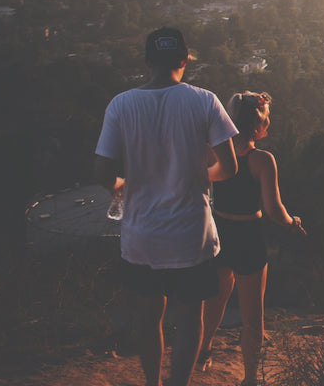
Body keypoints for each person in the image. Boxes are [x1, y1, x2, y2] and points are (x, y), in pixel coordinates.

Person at [93, 27, 239, 386]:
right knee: (190, 317)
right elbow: (230, 166)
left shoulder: (122, 104)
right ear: (184, 60)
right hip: (191, 233)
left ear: (146, 63)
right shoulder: (204, 100)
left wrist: (121, 186)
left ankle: (152, 383)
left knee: (148, 315)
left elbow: (101, 171)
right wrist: (204, 176)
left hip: (142, 234)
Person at [198, 91, 306, 385]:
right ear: (257, 126)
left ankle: (204, 348)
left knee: (216, 300)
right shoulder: (262, 160)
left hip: (219, 232)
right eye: (266, 119)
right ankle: (249, 379)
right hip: (249, 236)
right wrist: (291, 223)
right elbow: (273, 210)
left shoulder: (214, 151)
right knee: (251, 316)